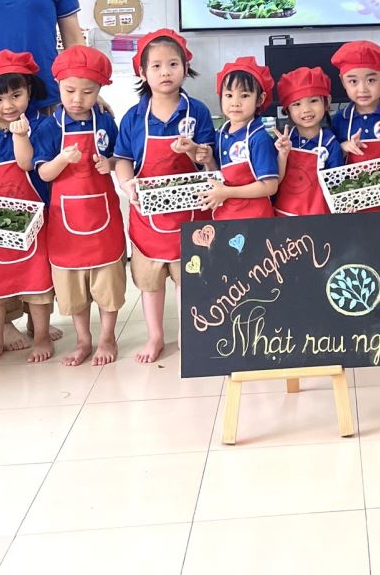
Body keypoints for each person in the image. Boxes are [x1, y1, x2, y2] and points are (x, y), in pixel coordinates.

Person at [114, 28, 217, 364]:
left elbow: (209, 161)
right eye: (156, 66)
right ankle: (155, 336)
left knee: (188, 278)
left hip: (190, 212)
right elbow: (123, 159)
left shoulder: (197, 112)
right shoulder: (133, 117)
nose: (165, 72)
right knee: (150, 282)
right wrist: (128, 185)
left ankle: (188, 332)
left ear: (185, 68)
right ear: (142, 72)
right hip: (148, 214)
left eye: (173, 64)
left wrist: (197, 152)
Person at [34, 46, 128, 367]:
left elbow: (120, 158)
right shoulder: (49, 127)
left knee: (107, 281)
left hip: (102, 214)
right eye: (70, 91)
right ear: (58, 86)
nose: (77, 99)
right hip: (65, 219)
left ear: (99, 91)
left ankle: (107, 337)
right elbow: (44, 173)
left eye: (87, 92)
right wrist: (62, 159)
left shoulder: (105, 122)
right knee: (73, 285)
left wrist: (109, 164)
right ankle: (83, 340)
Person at [0, 50, 55, 366]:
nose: (8, 105)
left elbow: (27, 163)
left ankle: (41, 335)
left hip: (34, 217)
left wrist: (20, 135)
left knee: (38, 278)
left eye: (16, 95)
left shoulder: (42, 126)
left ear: (29, 91)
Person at [330, 41, 380, 298]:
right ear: (343, 82)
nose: (362, 88)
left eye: (371, 79)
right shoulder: (337, 122)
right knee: (356, 271)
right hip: (352, 212)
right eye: (353, 81)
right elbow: (327, 165)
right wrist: (342, 146)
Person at [204, 57, 280, 220]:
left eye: (244, 95)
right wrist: (208, 160)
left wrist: (227, 192)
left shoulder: (259, 138)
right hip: (225, 217)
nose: (235, 103)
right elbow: (217, 176)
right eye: (229, 95)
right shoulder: (220, 134)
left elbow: (270, 186)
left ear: (260, 99)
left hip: (256, 220)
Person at [273, 67, 343, 217]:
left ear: (326, 103)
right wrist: (282, 154)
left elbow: (337, 185)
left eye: (313, 101)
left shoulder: (330, 143)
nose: (306, 109)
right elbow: (273, 181)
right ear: (287, 110)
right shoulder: (282, 141)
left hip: (320, 219)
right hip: (283, 217)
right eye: (296, 104)